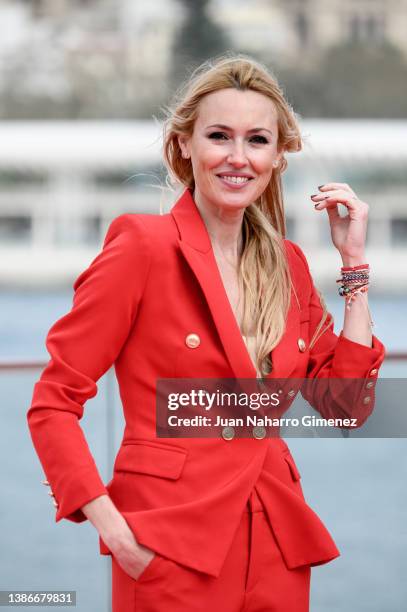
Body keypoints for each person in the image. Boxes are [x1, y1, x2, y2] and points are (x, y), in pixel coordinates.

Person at [27, 54, 385, 612]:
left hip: (274, 539)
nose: (238, 158)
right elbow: (54, 401)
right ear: (185, 145)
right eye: (219, 136)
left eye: (257, 140)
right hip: (169, 543)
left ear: (277, 156)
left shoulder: (287, 265)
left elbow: (346, 405)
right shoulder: (142, 248)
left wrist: (354, 265)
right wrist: (111, 525)